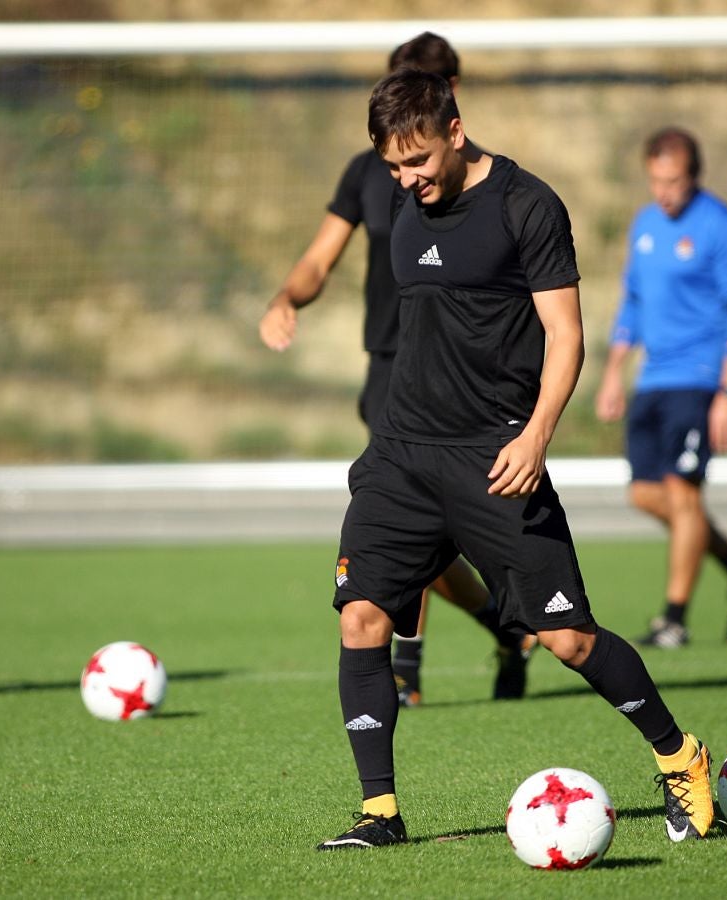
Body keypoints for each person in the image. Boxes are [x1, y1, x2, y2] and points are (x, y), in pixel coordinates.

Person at [316, 69, 713, 850]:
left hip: (496, 455)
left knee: (567, 638)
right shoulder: (402, 195)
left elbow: (565, 336)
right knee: (361, 616)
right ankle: (381, 814)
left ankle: (680, 756)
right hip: (402, 453)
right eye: (393, 167)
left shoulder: (527, 207)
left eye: (418, 162)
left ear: (455, 133)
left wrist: (534, 436)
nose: (406, 180)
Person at [260, 32, 533, 706]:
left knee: (435, 527)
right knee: (409, 523)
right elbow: (321, 257)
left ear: (450, 99)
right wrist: (287, 295)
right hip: (390, 371)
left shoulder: (488, 191)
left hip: (464, 380)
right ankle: (468, 634)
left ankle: (433, 649)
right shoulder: (369, 173)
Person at [594, 127, 727, 649]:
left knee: (683, 495)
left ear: (693, 176)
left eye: (672, 182)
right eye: (654, 181)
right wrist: (613, 370)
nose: (662, 193)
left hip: (699, 379)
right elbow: (632, 300)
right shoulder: (645, 225)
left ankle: (673, 620)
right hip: (652, 379)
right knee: (645, 494)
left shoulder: (723, 229)